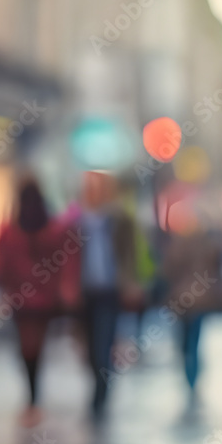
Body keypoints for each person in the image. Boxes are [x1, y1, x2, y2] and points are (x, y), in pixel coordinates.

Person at [0, 178, 79, 427]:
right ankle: (33, 400)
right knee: (34, 349)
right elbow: (65, 262)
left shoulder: (10, 231)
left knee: (27, 350)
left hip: (23, 301)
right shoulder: (54, 229)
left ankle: (32, 400)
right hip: (44, 300)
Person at [76, 171, 140, 417]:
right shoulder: (77, 220)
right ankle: (97, 383)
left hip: (109, 290)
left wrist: (130, 282)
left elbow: (129, 254)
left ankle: (101, 393)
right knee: (89, 347)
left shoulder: (119, 219)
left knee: (104, 343)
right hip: (84, 291)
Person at [160, 204, 222, 395]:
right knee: (195, 337)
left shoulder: (179, 243)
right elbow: (216, 267)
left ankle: (190, 369)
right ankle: (193, 369)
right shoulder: (208, 243)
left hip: (184, 298)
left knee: (186, 337)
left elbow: (168, 269)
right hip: (200, 297)